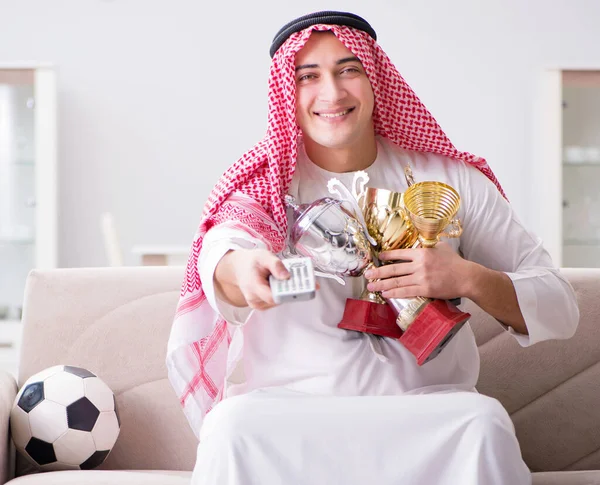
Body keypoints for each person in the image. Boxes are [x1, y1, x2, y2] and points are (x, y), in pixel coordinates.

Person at [166, 11, 579, 485]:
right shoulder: (263, 189)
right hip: (294, 418)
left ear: (375, 76)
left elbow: (560, 305)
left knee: (483, 424)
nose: (332, 93)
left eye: (348, 70)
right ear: (287, 92)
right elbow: (225, 251)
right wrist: (244, 273)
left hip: (424, 416)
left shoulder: (449, 181)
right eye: (309, 77)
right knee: (231, 427)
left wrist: (466, 277)